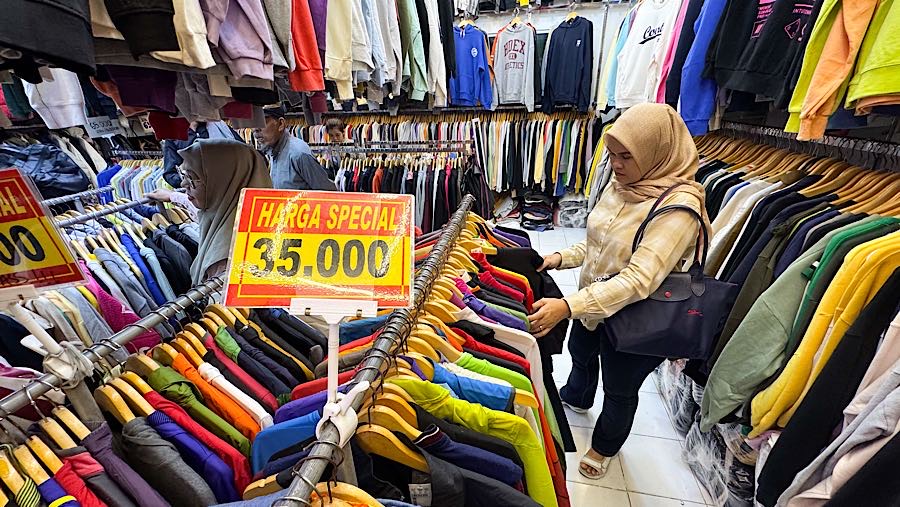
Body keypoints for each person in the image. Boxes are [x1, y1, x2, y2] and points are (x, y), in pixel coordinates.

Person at [528, 103, 709, 480]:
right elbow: (599, 241)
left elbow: (639, 279)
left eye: (627, 156)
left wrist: (567, 305)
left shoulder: (678, 208)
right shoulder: (623, 184)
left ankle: (605, 445)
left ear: (657, 153)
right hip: (593, 304)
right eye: (612, 154)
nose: (616, 164)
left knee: (620, 388)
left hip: (636, 318)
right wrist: (560, 257)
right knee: (580, 350)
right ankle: (577, 395)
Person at [146, 139, 273, 284]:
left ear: (221, 182)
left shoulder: (226, 260)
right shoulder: (231, 215)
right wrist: (172, 196)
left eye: (192, 177)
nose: (183, 184)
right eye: (184, 175)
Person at [255, 106, 336, 191]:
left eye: (262, 122)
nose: (255, 129)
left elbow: (327, 193)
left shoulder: (299, 154)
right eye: (254, 123)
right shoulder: (273, 151)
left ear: (281, 124)